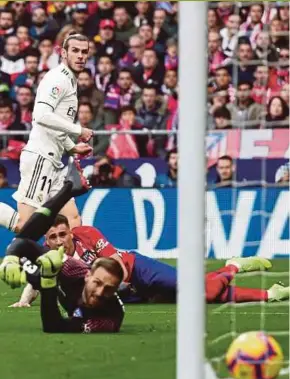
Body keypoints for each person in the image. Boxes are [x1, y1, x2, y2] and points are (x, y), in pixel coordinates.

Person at [6, 160, 289, 309]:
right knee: (203, 294)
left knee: (208, 291)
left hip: (136, 272)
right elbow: (40, 277)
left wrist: (117, 281)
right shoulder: (50, 256)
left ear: (70, 231)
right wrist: (24, 299)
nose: (58, 241)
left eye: (62, 234)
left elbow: (115, 258)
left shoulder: (87, 234)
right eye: (53, 237)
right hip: (121, 296)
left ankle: (238, 270)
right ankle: (262, 286)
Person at [0, 159, 125, 333]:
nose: (99, 292)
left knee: (25, 241)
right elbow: (23, 243)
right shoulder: (72, 268)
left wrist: (48, 283)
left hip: (134, 276)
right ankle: (68, 189)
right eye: (97, 283)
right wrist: (12, 258)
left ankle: (68, 189)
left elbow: (54, 326)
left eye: (108, 289)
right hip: (60, 275)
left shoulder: (107, 321)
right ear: (87, 276)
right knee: (22, 244)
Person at [0, 32, 93, 235]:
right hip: (40, 158)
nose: (80, 56)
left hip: (54, 162)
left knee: (73, 220)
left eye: (84, 52)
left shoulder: (70, 81)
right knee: (24, 226)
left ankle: (75, 266)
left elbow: (55, 125)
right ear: (63, 53)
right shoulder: (58, 78)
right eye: (75, 51)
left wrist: (71, 146)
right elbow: (41, 115)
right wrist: (78, 130)